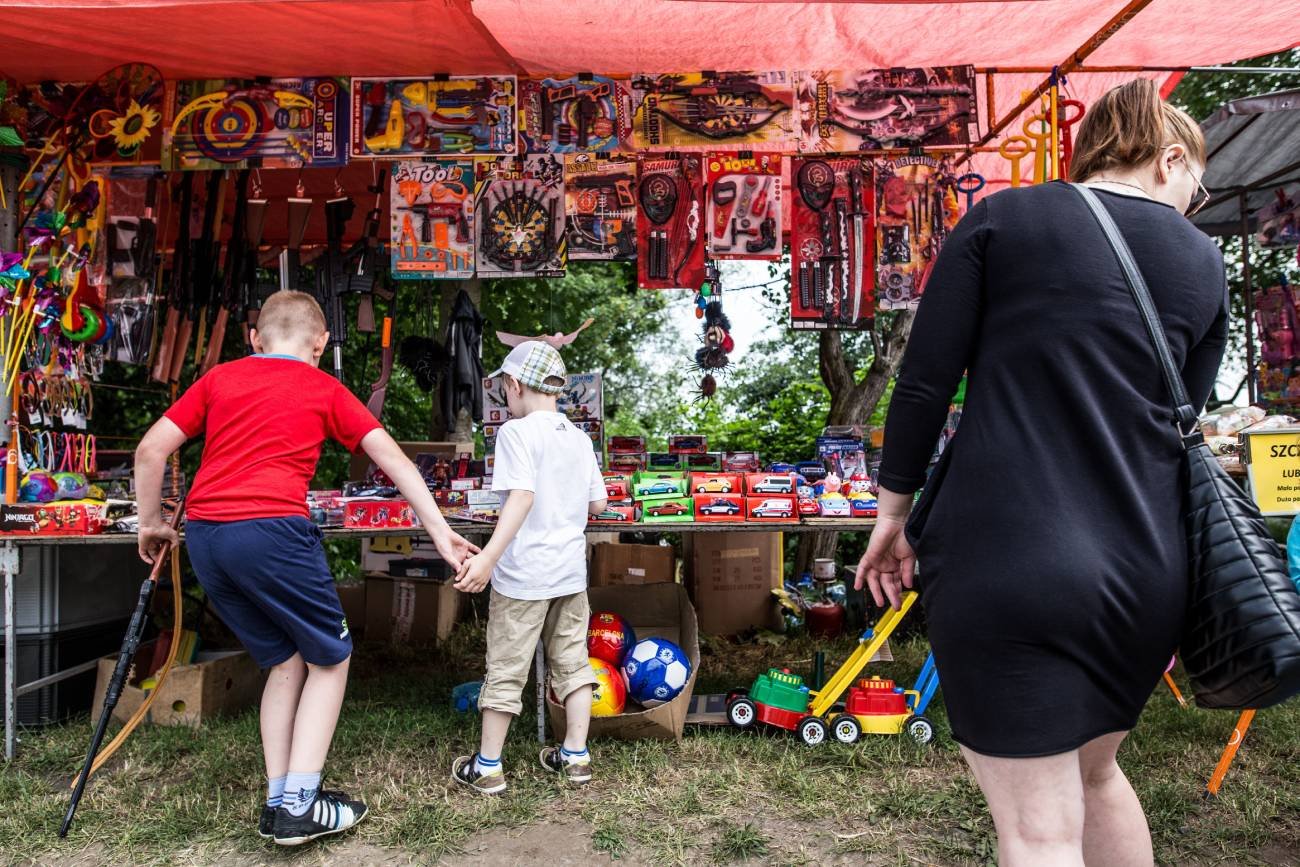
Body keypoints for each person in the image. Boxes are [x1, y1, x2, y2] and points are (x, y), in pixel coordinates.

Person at [856, 79, 1226, 867]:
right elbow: (1178, 421)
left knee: (1037, 832)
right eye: (1200, 178)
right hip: (1144, 569)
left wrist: (893, 512)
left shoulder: (1003, 219)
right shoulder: (1204, 260)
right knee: (1097, 775)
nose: (1198, 198)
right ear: (1168, 159)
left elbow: (924, 381)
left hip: (1005, 558)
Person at [134, 290, 477, 846]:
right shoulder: (323, 386)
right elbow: (394, 461)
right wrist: (439, 533)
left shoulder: (220, 379)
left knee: (287, 661)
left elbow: (151, 452)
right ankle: (299, 806)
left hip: (207, 539)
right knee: (331, 659)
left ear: (254, 339)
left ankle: (279, 800)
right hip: (273, 533)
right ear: (321, 343)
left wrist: (152, 523)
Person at [449, 340, 607, 795]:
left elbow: (521, 497)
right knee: (573, 666)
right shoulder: (578, 438)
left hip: (523, 579)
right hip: (569, 577)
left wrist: (487, 558)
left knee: (506, 669)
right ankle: (575, 756)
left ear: (515, 386)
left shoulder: (515, 434)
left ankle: (488, 766)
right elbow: (598, 501)